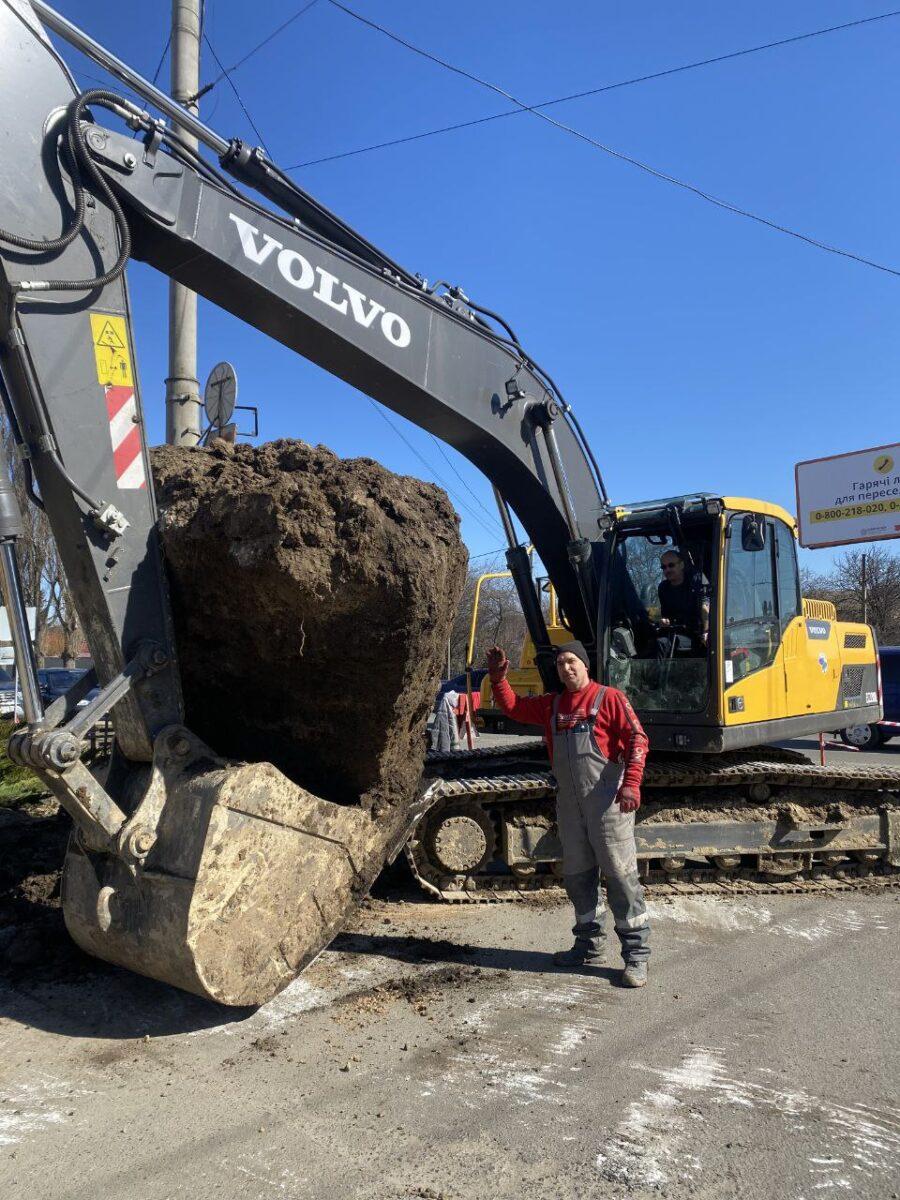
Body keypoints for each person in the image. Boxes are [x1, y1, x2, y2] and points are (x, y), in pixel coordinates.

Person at [486, 640, 651, 987]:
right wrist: (499, 679)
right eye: (561, 664)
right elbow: (514, 707)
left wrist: (632, 783)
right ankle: (588, 945)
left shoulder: (609, 698)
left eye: (572, 661)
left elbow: (638, 738)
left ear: (585, 665)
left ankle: (636, 957)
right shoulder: (553, 704)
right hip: (572, 808)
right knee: (578, 877)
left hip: (607, 804)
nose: (566, 668)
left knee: (621, 878)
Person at [657, 549, 710, 652]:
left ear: (681, 565)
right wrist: (664, 621)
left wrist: (706, 631)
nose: (667, 570)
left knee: (662, 644)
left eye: (671, 565)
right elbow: (666, 616)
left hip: (697, 635)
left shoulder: (696, 580)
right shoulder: (663, 588)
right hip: (675, 632)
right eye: (664, 567)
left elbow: (705, 607)